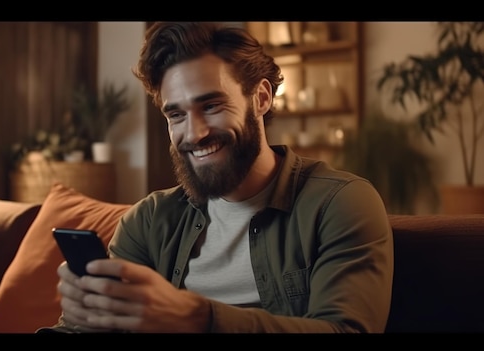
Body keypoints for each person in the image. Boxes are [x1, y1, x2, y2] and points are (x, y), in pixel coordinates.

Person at [41, 21, 394, 333]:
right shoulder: (148, 221)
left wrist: (197, 318)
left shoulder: (339, 203)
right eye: (176, 115)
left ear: (261, 98)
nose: (194, 133)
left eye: (211, 106)